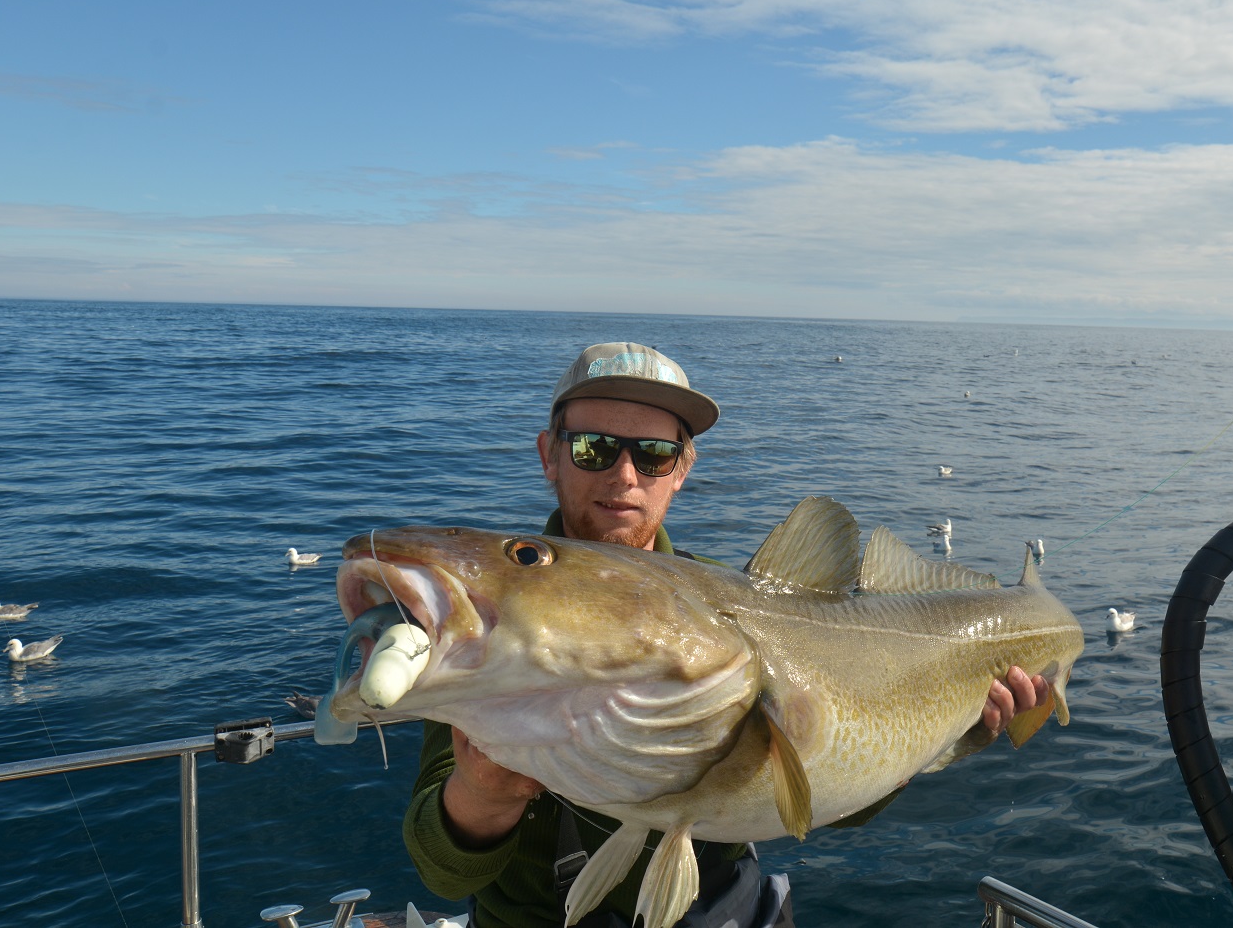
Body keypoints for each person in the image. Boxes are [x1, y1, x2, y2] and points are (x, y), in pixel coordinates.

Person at [403, 342, 1050, 928]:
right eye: (593, 448)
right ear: (551, 454)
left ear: (682, 469)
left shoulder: (729, 603)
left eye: (653, 455)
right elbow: (443, 871)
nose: (624, 477)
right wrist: (483, 791)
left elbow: (829, 796)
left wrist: (951, 731)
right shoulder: (490, 619)